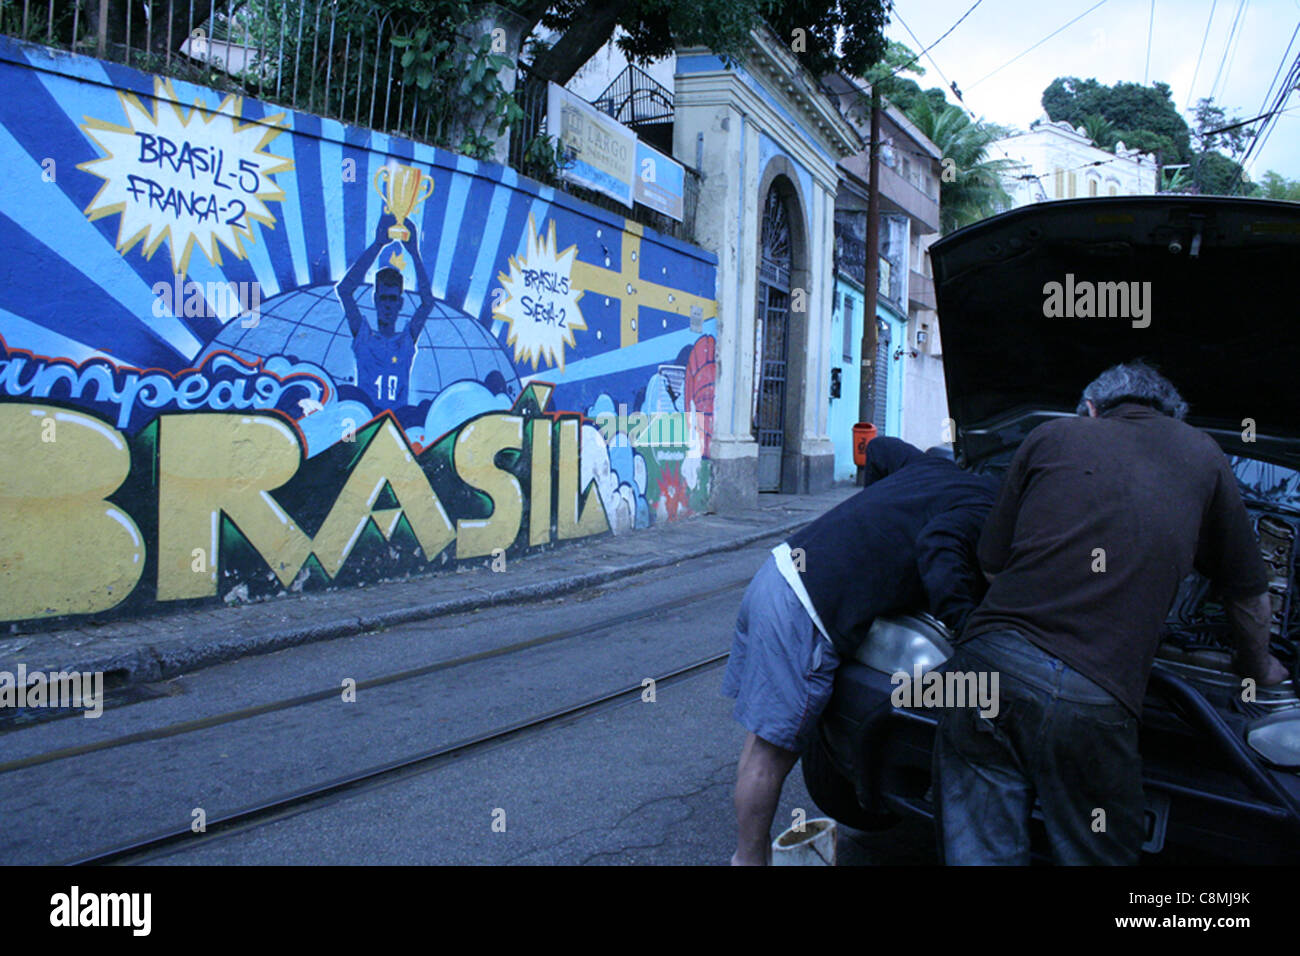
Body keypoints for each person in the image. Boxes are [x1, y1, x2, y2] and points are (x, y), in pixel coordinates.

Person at [933, 361, 1289, 866]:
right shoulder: (1204, 454)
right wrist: (1261, 668)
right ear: (1172, 415)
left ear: (1093, 409)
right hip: (1090, 697)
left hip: (984, 669)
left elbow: (992, 568)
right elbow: (1249, 593)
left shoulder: (1050, 434)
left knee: (978, 853)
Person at [724, 436, 1000, 865]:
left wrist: (874, 525)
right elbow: (940, 549)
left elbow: (880, 449)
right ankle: (748, 861)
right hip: (805, 608)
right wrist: (970, 630)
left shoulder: (937, 470)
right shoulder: (989, 509)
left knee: (761, 743)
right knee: (771, 755)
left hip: (778, 571)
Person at [336, 211, 435, 411]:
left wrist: (415, 253)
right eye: (383, 298)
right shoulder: (364, 337)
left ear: (400, 303)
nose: (388, 305)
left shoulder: (405, 340)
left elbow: (427, 303)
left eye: (392, 299)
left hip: (397, 426)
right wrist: (378, 245)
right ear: (375, 300)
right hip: (366, 422)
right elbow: (344, 290)